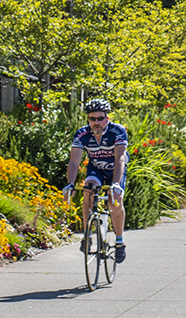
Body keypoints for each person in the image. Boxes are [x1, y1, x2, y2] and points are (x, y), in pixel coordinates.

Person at [64, 97, 128, 263]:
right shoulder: (82, 134)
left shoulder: (117, 131)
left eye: (100, 118)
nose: (96, 122)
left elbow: (120, 157)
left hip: (115, 169)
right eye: (92, 119)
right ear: (88, 119)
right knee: (88, 191)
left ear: (107, 118)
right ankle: (87, 235)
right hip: (96, 169)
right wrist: (70, 184)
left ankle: (119, 241)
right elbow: (74, 161)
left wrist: (115, 184)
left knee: (115, 201)